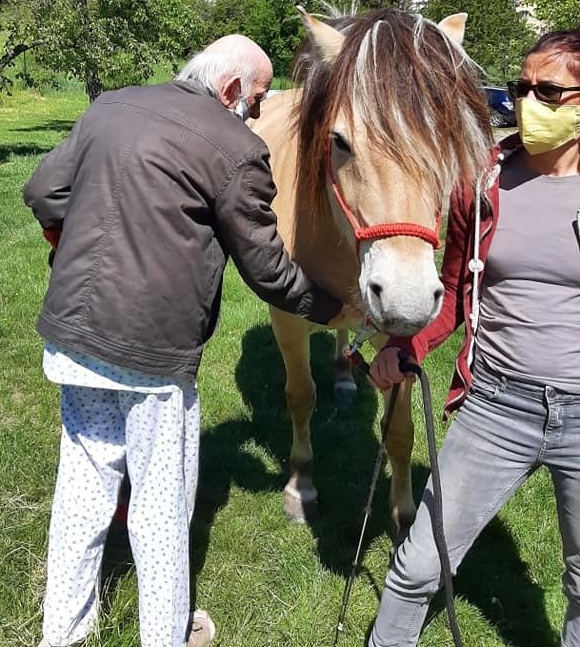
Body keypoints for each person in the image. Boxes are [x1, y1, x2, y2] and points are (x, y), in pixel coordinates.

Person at [24, 35, 349, 647]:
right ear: (231, 90)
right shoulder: (235, 148)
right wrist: (334, 308)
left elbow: (43, 193)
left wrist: (67, 248)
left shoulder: (110, 106)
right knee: (160, 504)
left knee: (84, 488)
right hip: (154, 354)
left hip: (72, 335)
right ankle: (168, 634)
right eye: (256, 101)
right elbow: (268, 269)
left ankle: (62, 632)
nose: (257, 115)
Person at [366, 29, 580, 647]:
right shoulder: (482, 181)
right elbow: (458, 288)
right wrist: (405, 347)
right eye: (522, 87)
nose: (527, 102)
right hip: (498, 406)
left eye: (548, 90)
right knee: (417, 567)